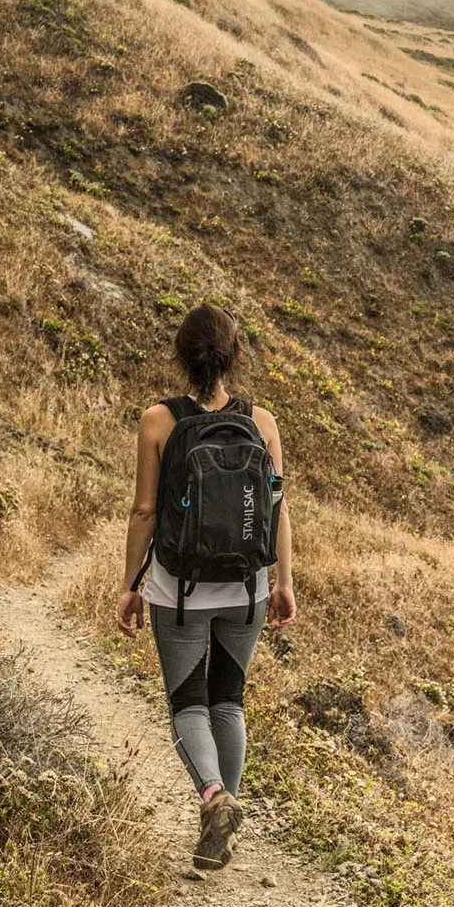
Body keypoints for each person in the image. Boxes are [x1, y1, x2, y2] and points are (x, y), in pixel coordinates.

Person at [115, 303, 296, 869]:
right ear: (233, 355)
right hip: (247, 589)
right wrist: (282, 580)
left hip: (179, 588)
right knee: (228, 700)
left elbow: (145, 511)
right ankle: (227, 822)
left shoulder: (158, 421)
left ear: (181, 354)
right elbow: (276, 510)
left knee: (187, 703)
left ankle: (215, 800)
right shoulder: (260, 422)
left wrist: (130, 585)